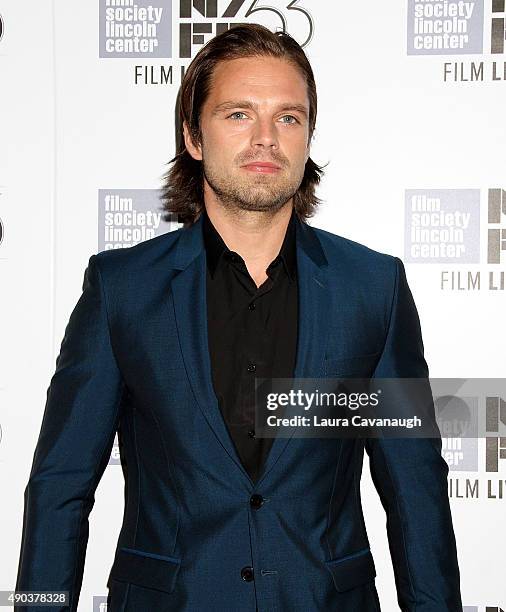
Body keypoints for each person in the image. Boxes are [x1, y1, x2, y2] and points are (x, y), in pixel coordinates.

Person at [15, 23, 462, 611]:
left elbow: (416, 492)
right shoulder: (121, 289)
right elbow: (61, 489)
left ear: (307, 137)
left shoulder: (372, 288)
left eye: (288, 117)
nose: (266, 139)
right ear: (193, 137)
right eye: (237, 115)